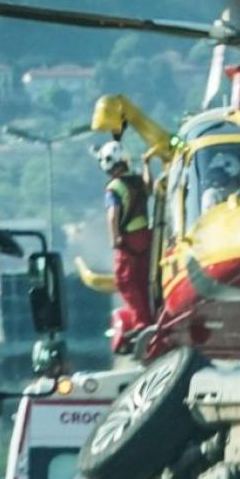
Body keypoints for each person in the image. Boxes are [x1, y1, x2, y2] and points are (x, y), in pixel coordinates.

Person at [98, 140, 153, 343]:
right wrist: (147, 165)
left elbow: (113, 215)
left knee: (126, 281)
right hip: (146, 237)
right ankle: (150, 317)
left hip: (128, 241)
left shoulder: (113, 188)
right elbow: (150, 189)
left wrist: (115, 239)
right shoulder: (137, 180)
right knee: (143, 280)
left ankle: (141, 323)